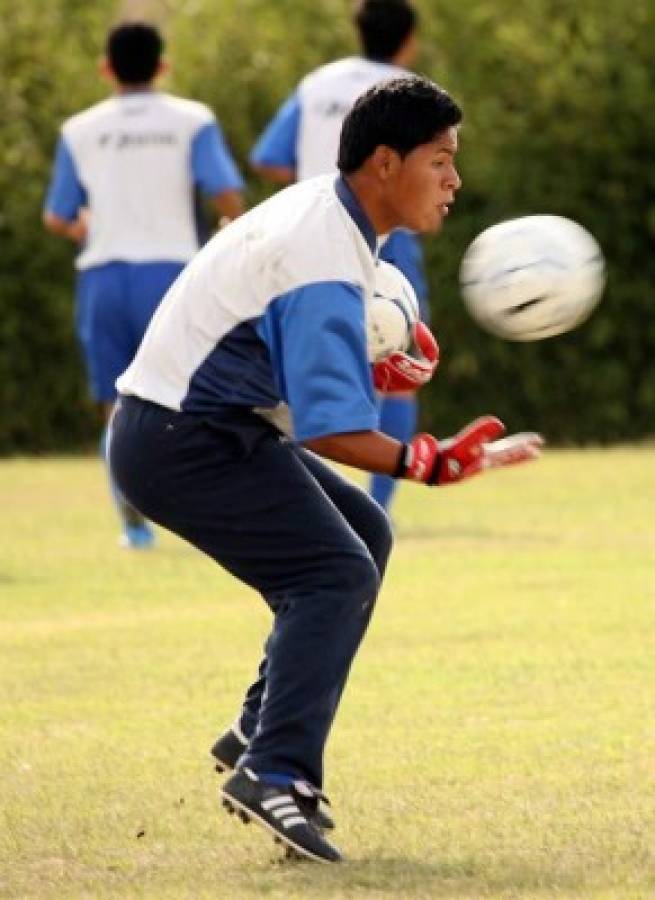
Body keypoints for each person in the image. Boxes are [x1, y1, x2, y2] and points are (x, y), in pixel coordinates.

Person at [109, 76, 543, 863]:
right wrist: (435, 462)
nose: (454, 180)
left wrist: (358, 363)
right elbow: (333, 430)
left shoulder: (327, 218)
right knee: (333, 573)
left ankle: (257, 727)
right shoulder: (322, 249)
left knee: (362, 533)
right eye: (440, 160)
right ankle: (275, 772)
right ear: (383, 162)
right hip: (181, 441)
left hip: (197, 427)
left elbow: (268, 350)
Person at [43, 21, 244, 549]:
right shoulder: (191, 120)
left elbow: (57, 216)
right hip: (175, 276)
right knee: (197, 399)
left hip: (104, 276)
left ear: (106, 68)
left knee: (116, 406)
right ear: (163, 66)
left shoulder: (79, 128)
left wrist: (85, 226)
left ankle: (134, 527)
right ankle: (210, 510)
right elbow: (225, 193)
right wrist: (231, 235)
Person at [250, 0, 429, 515]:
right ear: (409, 39)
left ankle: (308, 498)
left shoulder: (315, 84)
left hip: (305, 240)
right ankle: (382, 503)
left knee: (298, 370)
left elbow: (266, 156)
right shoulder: (411, 94)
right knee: (398, 364)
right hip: (388, 242)